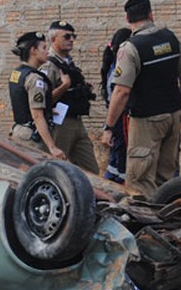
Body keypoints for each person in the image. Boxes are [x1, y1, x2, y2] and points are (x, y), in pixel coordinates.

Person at [101, 0, 181, 198]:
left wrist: (109, 127)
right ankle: (167, 219)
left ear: (128, 19)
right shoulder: (170, 39)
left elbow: (121, 91)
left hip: (146, 119)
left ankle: (146, 224)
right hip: (172, 115)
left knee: (139, 179)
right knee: (165, 176)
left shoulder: (130, 47)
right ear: (151, 14)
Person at [40, 21, 99, 174]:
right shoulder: (49, 66)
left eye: (73, 36)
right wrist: (64, 87)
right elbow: (42, 101)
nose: (71, 40)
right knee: (58, 169)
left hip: (77, 121)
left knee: (91, 170)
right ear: (53, 39)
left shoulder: (67, 62)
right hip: (61, 123)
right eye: (67, 36)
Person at [8, 31, 65, 160]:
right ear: (33, 51)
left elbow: (23, 102)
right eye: (44, 48)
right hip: (31, 137)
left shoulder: (17, 73)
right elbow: (37, 115)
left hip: (19, 131)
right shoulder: (34, 79)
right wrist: (52, 147)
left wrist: (49, 110)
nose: (48, 52)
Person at [100, 28, 132, 184]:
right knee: (122, 154)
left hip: (114, 116)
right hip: (121, 117)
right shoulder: (121, 65)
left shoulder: (112, 64)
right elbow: (119, 93)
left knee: (116, 154)